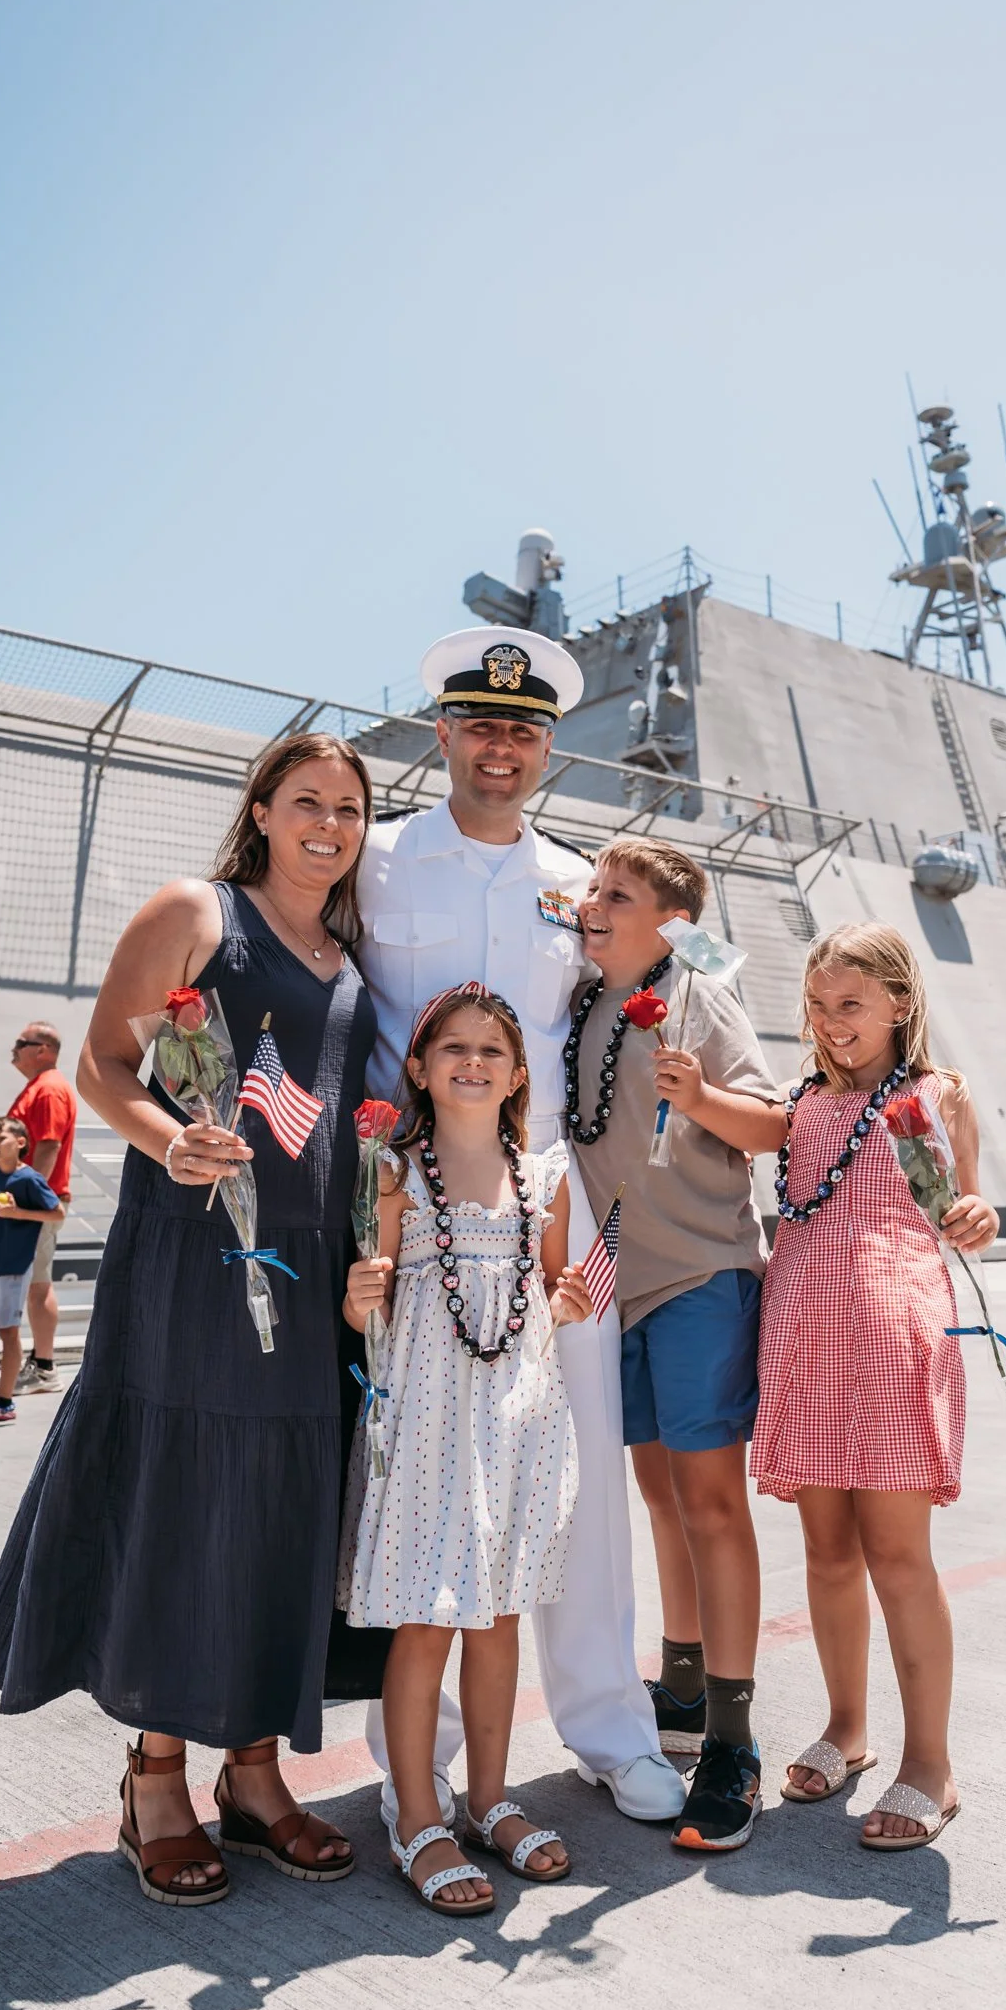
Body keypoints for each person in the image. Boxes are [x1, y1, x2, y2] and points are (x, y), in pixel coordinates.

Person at [0, 731, 378, 1907]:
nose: (330, 826)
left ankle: (253, 1769)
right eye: (308, 801)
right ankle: (157, 1777)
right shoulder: (198, 910)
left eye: (349, 809)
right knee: (184, 1489)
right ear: (259, 808)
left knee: (283, 1499)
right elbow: (104, 1063)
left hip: (305, 1267)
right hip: (192, 1255)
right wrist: (168, 1140)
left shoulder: (341, 951)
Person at [357, 626, 685, 1823]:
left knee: (583, 1462)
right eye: (481, 724)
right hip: (424, 1203)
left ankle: (607, 1725)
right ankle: (431, 1758)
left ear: (549, 745)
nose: (502, 747)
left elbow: (660, 990)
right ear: (442, 731)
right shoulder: (378, 860)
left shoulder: (578, 883)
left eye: (525, 729)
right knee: (437, 1470)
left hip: (552, 1203)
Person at [677, 921, 999, 1849]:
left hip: (896, 1341)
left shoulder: (939, 1096)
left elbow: (964, 1207)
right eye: (818, 1007)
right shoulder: (807, 1097)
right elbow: (760, 1128)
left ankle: (928, 1764)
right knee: (824, 1554)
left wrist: (976, 1216)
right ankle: (846, 1727)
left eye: (850, 1005)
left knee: (898, 1557)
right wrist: (697, 1096)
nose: (831, 1022)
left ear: (900, 1003)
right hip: (807, 1341)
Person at [337, 984, 593, 1915]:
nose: (473, 1063)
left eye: (492, 1050)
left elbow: (560, 1280)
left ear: (519, 1072)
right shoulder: (396, 1172)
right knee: (428, 1618)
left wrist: (572, 1300)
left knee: (497, 1619)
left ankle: (488, 1797)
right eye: (452, 1049)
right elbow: (362, 1308)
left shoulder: (544, 1174)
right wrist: (359, 1296)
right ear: (418, 1066)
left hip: (517, 1417)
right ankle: (415, 1811)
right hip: (430, 1423)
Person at [570, 838, 776, 1853]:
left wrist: (697, 1097)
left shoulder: (696, 992)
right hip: (619, 1289)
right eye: (592, 889)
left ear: (672, 923)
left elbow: (770, 1122)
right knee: (657, 1496)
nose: (593, 903)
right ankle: (683, 1688)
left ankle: (734, 1741)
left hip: (698, 1276)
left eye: (620, 895)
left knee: (708, 1500)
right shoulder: (578, 1002)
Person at [0, 1116, 63, 1426]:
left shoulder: (29, 1180)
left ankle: (3, 1402)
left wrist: (18, 1212)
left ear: (19, 1143)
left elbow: (56, 1212)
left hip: (12, 1272)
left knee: (8, 1333)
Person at [6, 1021, 78, 1395]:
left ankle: (45, 1367)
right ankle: (39, 1362)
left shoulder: (48, 1089)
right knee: (34, 1284)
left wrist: (26, 1198)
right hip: (30, 1204)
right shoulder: (39, 1087)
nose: (14, 1049)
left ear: (43, 1050)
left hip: (35, 1206)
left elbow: (48, 1147)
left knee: (37, 1285)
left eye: (21, 1043)